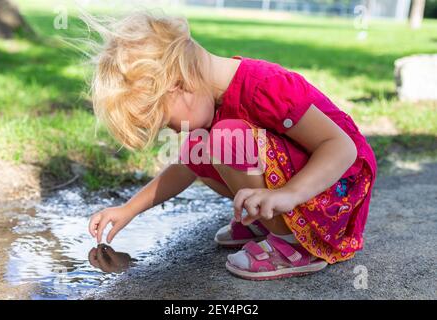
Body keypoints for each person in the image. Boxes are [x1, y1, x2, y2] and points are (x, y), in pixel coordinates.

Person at [86, 11, 377, 280]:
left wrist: (290, 195)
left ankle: (294, 245)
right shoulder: (212, 103)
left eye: (165, 120)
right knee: (202, 145)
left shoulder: (265, 86)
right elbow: (186, 166)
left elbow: (341, 147)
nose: (173, 129)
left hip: (338, 191)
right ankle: (267, 221)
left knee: (227, 138)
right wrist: (128, 210)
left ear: (179, 83)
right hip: (306, 186)